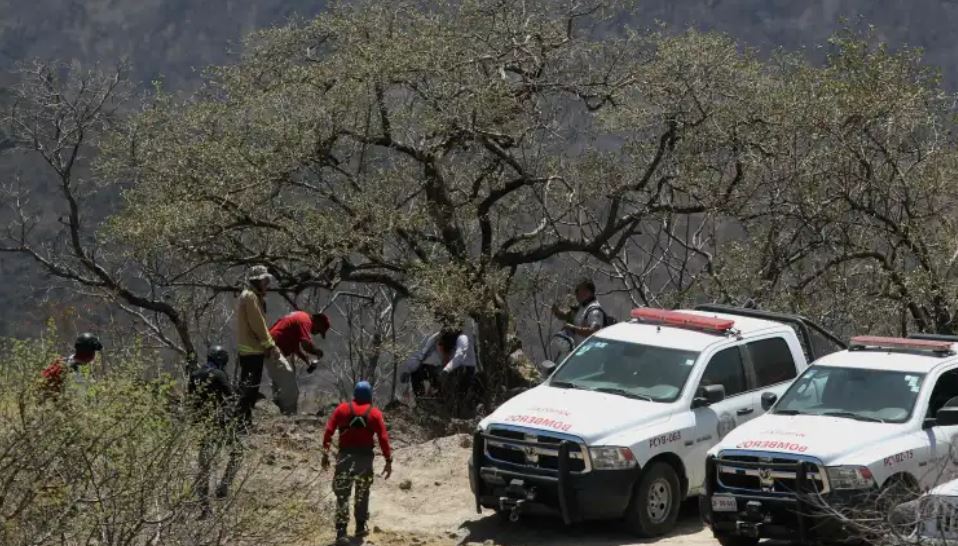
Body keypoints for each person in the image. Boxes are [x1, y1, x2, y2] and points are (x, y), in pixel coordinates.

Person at [322, 381, 393, 545]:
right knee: (362, 493)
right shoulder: (374, 413)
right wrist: (388, 460)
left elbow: (328, 431)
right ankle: (360, 526)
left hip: (344, 458)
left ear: (354, 394)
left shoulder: (341, 409)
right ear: (370, 396)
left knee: (342, 495)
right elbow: (383, 438)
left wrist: (325, 453)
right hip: (364, 460)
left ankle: (341, 531)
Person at [188, 346, 242, 517]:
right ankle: (223, 487)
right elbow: (232, 397)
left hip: (202, 425)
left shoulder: (195, 375)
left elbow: (191, 399)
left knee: (204, 466)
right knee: (238, 453)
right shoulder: (219, 375)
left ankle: (205, 509)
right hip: (220, 423)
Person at [235, 265, 283, 425]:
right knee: (249, 388)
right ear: (256, 281)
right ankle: (240, 421)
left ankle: (243, 420)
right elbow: (258, 325)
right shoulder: (250, 297)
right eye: (264, 280)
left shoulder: (251, 296)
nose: (267, 283)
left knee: (249, 387)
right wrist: (270, 346)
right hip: (252, 351)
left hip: (251, 349)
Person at [267, 310, 330, 412]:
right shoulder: (306, 321)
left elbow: (295, 346)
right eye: (319, 330)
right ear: (317, 321)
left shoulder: (300, 317)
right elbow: (305, 344)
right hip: (273, 348)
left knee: (280, 383)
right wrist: (316, 352)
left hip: (271, 346)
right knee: (290, 386)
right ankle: (288, 415)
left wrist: (307, 360)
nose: (317, 333)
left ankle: (280, 410)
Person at [551, 277, 608, 345]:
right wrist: (557, 311)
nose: (576, 294)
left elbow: (594, 331)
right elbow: (567, 316)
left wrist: (573, 328)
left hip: (590, 352)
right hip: (577, 350)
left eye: (579, 291)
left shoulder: (594, 310)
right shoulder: (582, 307)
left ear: (587, 292)